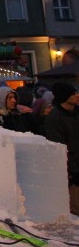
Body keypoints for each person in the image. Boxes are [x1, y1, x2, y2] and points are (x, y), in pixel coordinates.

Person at [44, 82, 79, 215]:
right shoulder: (55, 118)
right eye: (73, 93)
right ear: (65, 96)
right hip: (72, 174)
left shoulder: (76, 112)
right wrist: (74, 171)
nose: (77, 95)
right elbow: (59, 147)